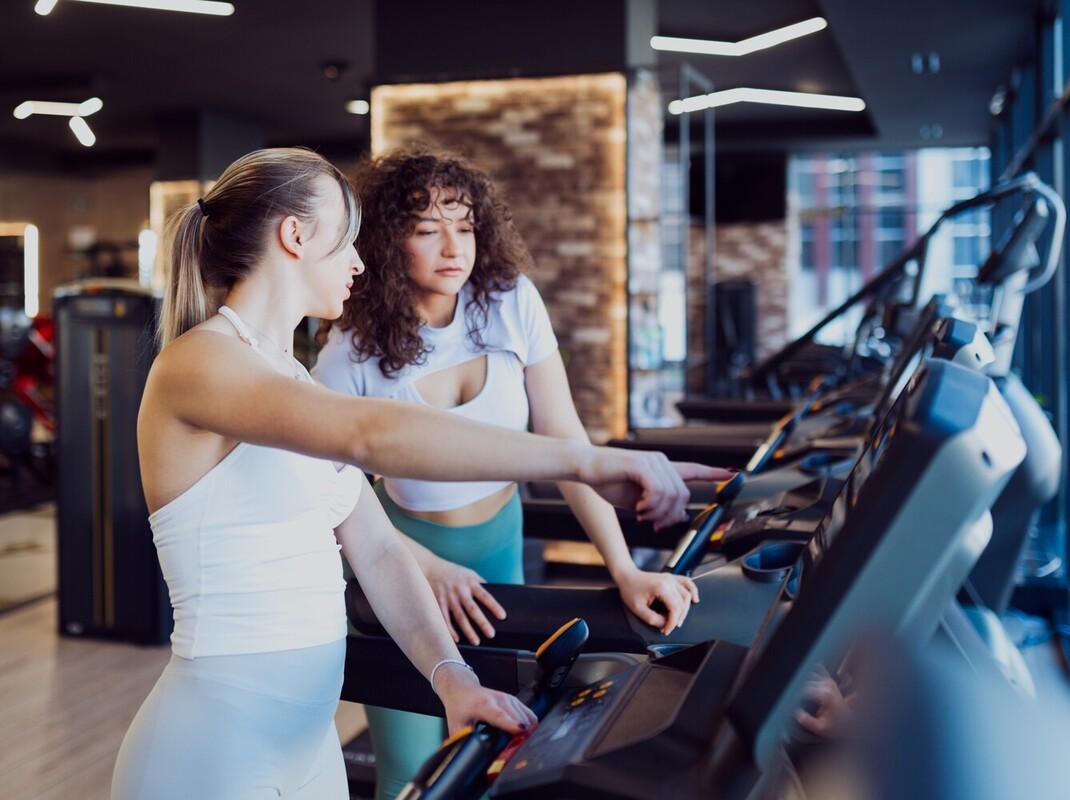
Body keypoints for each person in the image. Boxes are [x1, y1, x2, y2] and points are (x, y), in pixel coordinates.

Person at [110, 146, 729, 800]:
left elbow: (377, 549)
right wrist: (586, 460)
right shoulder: (199, 364)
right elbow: (371, 433)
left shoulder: (286, 375)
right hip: (216, 748)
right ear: (294, 236)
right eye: (345, 240)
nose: (357, 260)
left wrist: (453, 679)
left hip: (308, 744)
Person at [313, 147, 730, 799]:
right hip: (401, 558)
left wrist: (622, 568)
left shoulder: (509, 301)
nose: (454, 246)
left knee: (499, 742)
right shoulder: (351, 352)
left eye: (465, 224)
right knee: (412, 764)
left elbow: (565, 441)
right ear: (388, 243)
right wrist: (430, 567)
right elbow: (326, 497)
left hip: (499, 543)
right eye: (427, 229)